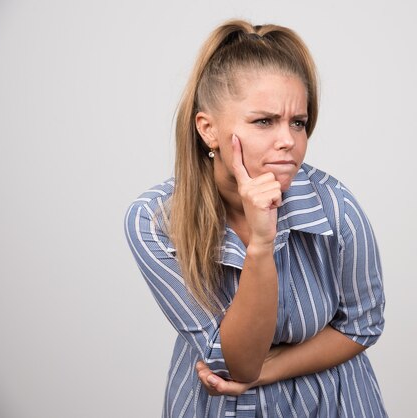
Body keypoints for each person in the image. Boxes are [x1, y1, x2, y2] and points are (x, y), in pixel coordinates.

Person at [124, 19, 387, 418]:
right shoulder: (155, 220)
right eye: (263, 121)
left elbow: (362, 324)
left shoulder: (335, 206)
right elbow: (235, 363)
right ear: (208, 129)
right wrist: (261, 245)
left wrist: (271, 370)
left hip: (333, 403)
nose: (288, 139)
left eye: (297, 122)